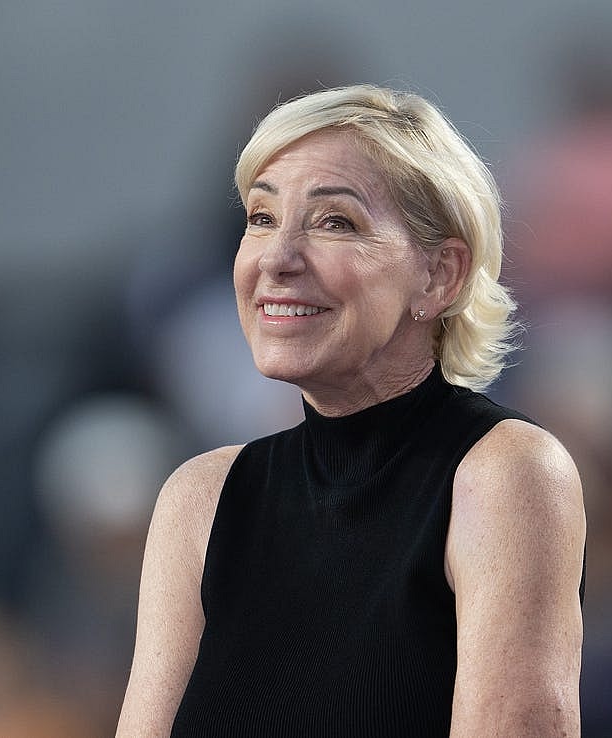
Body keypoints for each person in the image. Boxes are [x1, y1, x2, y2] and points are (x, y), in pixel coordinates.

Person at [116, 84, 585, 737]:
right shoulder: (199, 500)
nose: (278, 260)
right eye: (261, 218)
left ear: (439, 276)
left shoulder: (506, 473)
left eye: (336, 221)